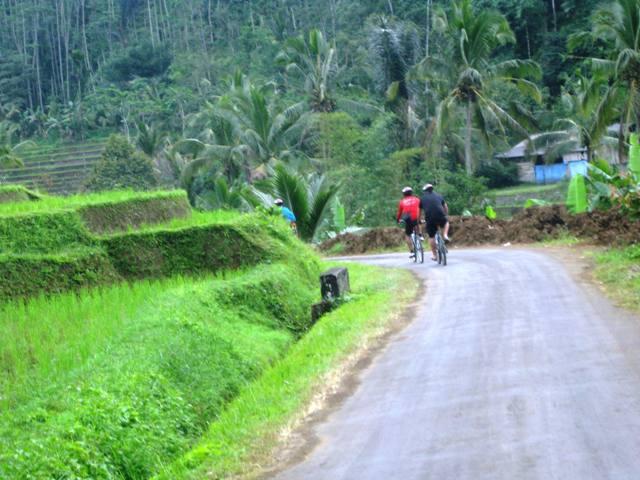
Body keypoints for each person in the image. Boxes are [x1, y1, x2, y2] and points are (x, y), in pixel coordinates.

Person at [420, 183, 450, 261]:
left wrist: (419, 219)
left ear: (425, 191)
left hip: (430, 218)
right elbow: (445, 206)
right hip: (440, 215)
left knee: (431, 236)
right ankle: (445, 235)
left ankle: (434, 255)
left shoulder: (422, 199)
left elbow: (419, 211)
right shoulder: (439, 196)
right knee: (446, 223)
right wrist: (446, 215)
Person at [396, 186, 421, 258]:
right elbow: (420, 208)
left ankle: (412, 251)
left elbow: (399, 213)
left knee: (408, 235)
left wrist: (398, 220)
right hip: (416, 217)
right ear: (411, 193)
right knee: (418, 222)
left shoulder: (402, 202)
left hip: (408, 218)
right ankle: (420, 235)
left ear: (403, 194)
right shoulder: (417, 199)